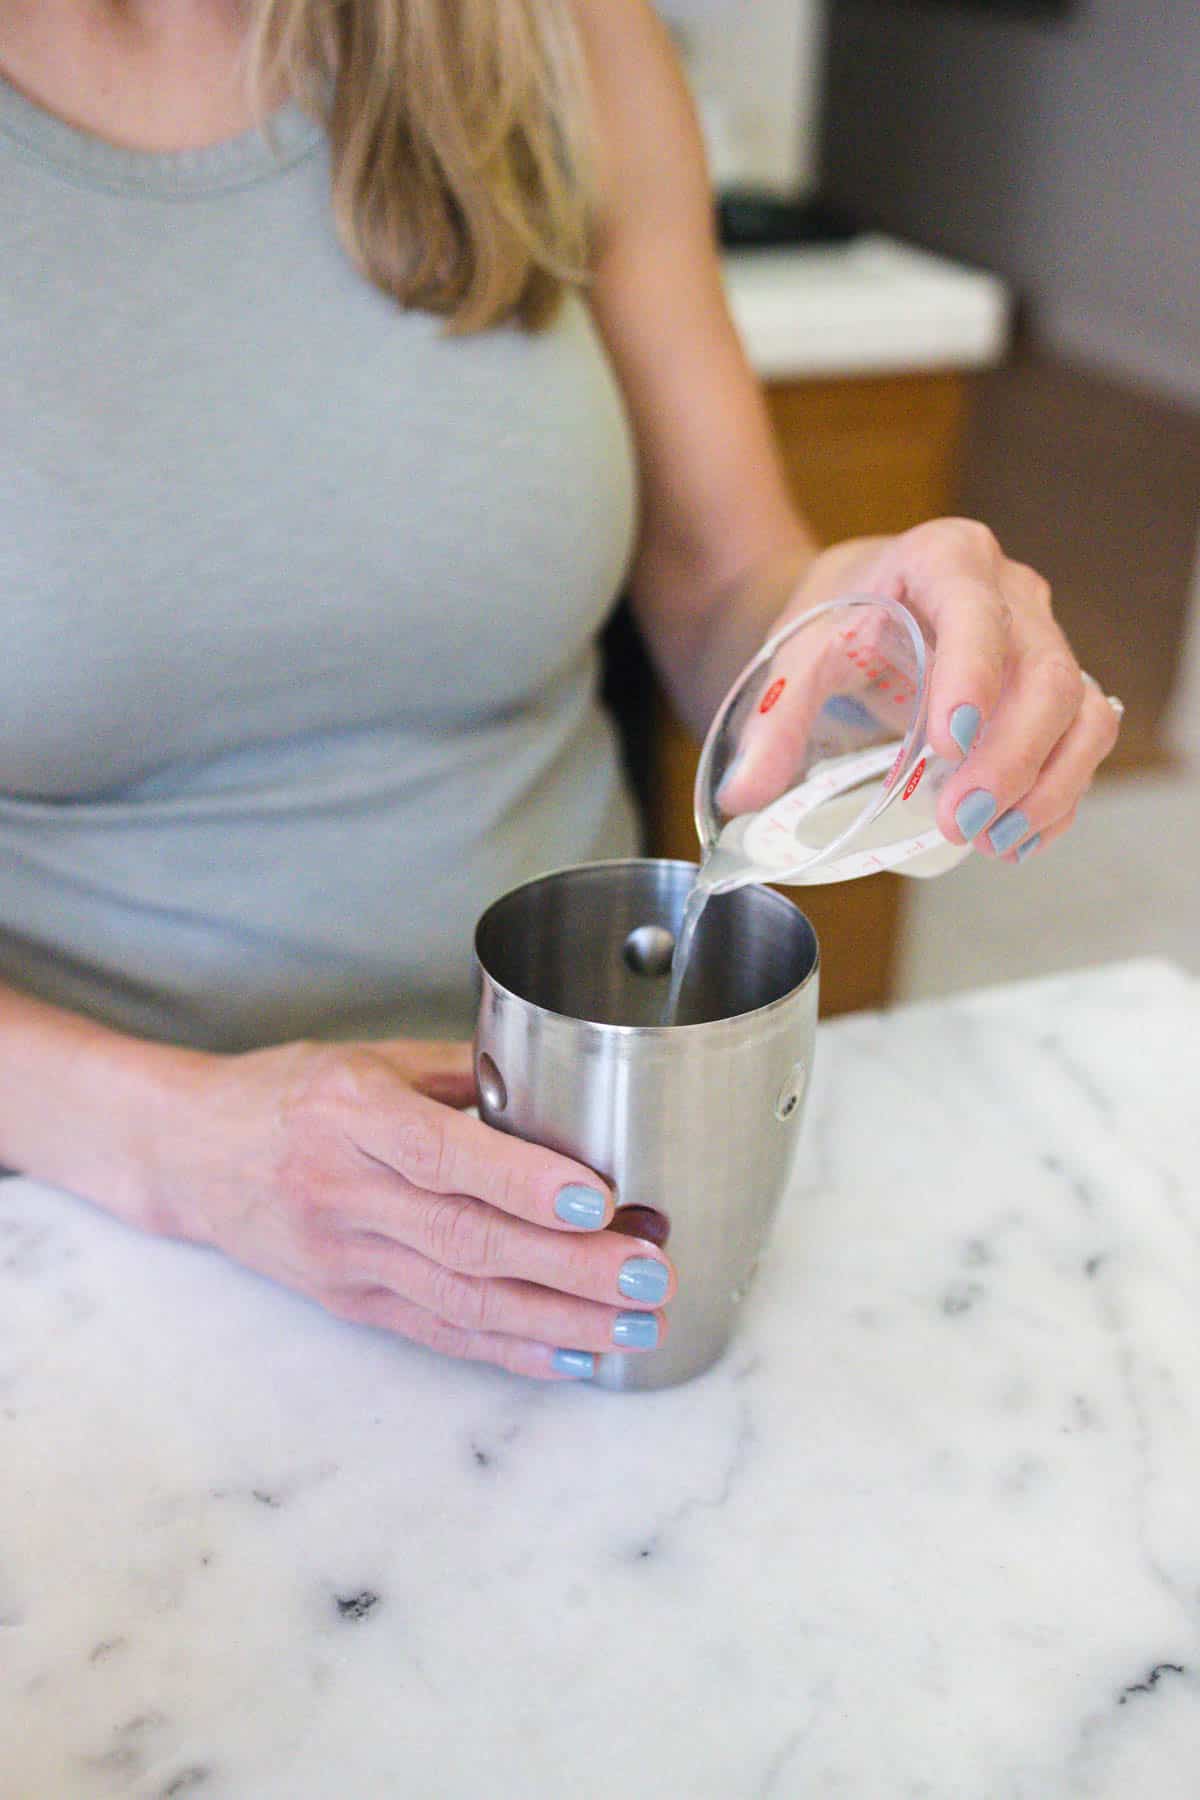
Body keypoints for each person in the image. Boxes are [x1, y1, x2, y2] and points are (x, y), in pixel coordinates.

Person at [0, 0, 1120, 1381]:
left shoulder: (551, 33)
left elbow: (725, 589)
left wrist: (878, 640)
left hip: (600, 1180)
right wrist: (176, 1145)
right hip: (88, 1231)